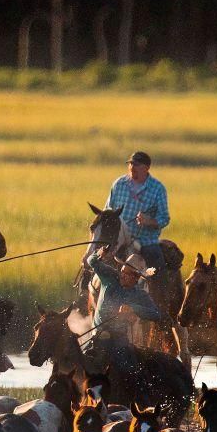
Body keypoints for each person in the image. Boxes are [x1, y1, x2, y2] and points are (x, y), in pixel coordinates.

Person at [85, 246, 161, 390]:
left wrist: (134, 308)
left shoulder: (140, 295)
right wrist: (99, 254)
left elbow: (156, 314)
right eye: (122, 271)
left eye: (127, 273)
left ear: (136, 278)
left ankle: (137, 399)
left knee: (129, 369)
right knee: (83, 362)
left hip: (119, 338)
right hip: (98, 335)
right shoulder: (109, 275)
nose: (122, 275)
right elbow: (92, 262)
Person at [104, 151, 169, 291]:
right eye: (131, 164)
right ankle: (86, 295)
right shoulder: (119, 184)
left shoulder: (157, 189)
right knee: (96, 262)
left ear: (146, 168)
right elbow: (108, 210)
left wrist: (149, 221)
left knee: (158, 271)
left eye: (136, 165)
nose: (132, 168)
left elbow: (164, 218)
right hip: (118, 240)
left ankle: (161, 302)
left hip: (145, 241)